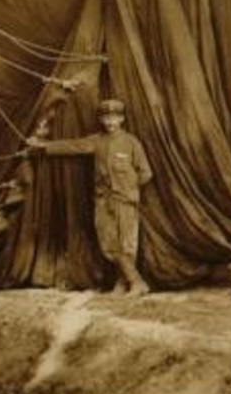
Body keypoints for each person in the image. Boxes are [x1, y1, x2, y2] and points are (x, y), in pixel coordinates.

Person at [28, 98, 153, 295]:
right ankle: (129, 281)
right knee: (108, 243)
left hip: (125, 201)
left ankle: (133, 283)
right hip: (103, 200)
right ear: (102, 120)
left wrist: (128, 189)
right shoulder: (97, 141)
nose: (110, 122)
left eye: (114, 118)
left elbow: (145, 173)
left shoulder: (131, 142)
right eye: (106, 118)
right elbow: (74, 145)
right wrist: (44, 147)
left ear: (122, 119)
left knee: (126, 243)